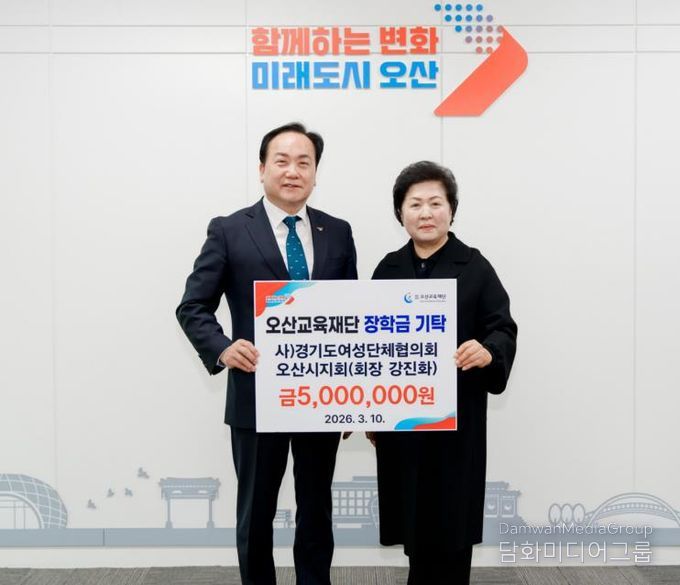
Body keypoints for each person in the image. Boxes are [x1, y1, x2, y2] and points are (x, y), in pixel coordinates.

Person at [176, 122, 357, 585]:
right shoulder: (229, 230)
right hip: (256, 397)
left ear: (315, 173)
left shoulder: (338, 232)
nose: (293, 171)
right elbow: (193, 306)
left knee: (316, 509)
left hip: (321, 398)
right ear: (262, 169)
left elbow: (352, 315)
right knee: (256, 512)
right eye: (282, 161)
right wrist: (223, 348)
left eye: (304, 163)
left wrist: (355, 396)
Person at [370, 161, 517, 585]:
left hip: (457, 422)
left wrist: (488, 351)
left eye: (436, 203)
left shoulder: (474, 266)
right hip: (403, 423)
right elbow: (369, 344)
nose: (426, 213)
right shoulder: (387, 269)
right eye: (415, 204)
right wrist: (367, 411)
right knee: (414, 525)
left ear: (452, 210)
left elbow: (502, 327)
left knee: (452, 528)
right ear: (400, 213)